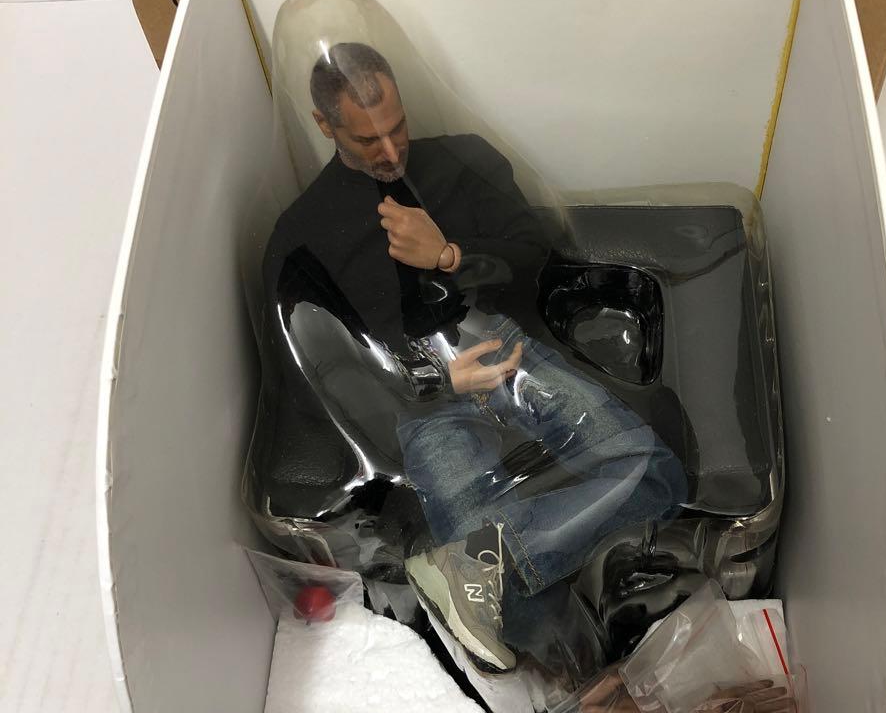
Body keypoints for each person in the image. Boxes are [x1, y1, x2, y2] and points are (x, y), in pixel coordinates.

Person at [263, 42, 685, 674]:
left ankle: (482, 564)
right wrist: (430, 381)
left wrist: (450, 256)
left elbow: (535, 254)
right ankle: (592, 683)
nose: (390, 151)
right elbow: (320, 372)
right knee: (510, 604)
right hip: (422, 408)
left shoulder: (463, 162)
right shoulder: (302, 235)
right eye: (367, 139)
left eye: (398, 127)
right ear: (324, 124)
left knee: (657, 475)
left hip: (505, 349)